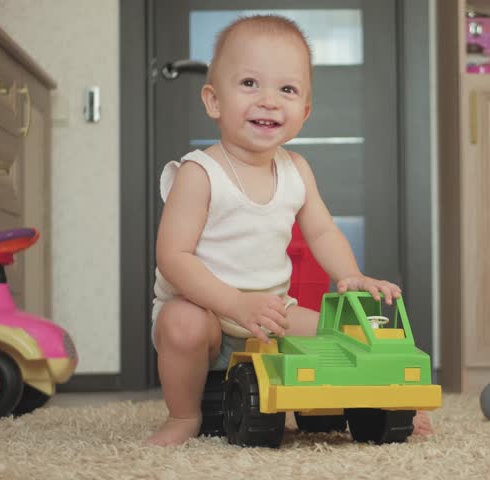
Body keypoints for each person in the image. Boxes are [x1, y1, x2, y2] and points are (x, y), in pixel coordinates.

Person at [146, 14, 432, 447]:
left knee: (341, 339)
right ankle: (183, 415)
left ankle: (391, 400)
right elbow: (173, 257)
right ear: (213, 101)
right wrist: (233, 302)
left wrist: (348, 275)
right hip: (205, 312)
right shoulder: (199, 173)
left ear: (305, 111)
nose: (268, 101)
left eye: (287, 89)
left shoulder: (297, 170)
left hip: (272, 313)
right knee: (180, 324)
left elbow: (321, 231)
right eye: (249, 84)